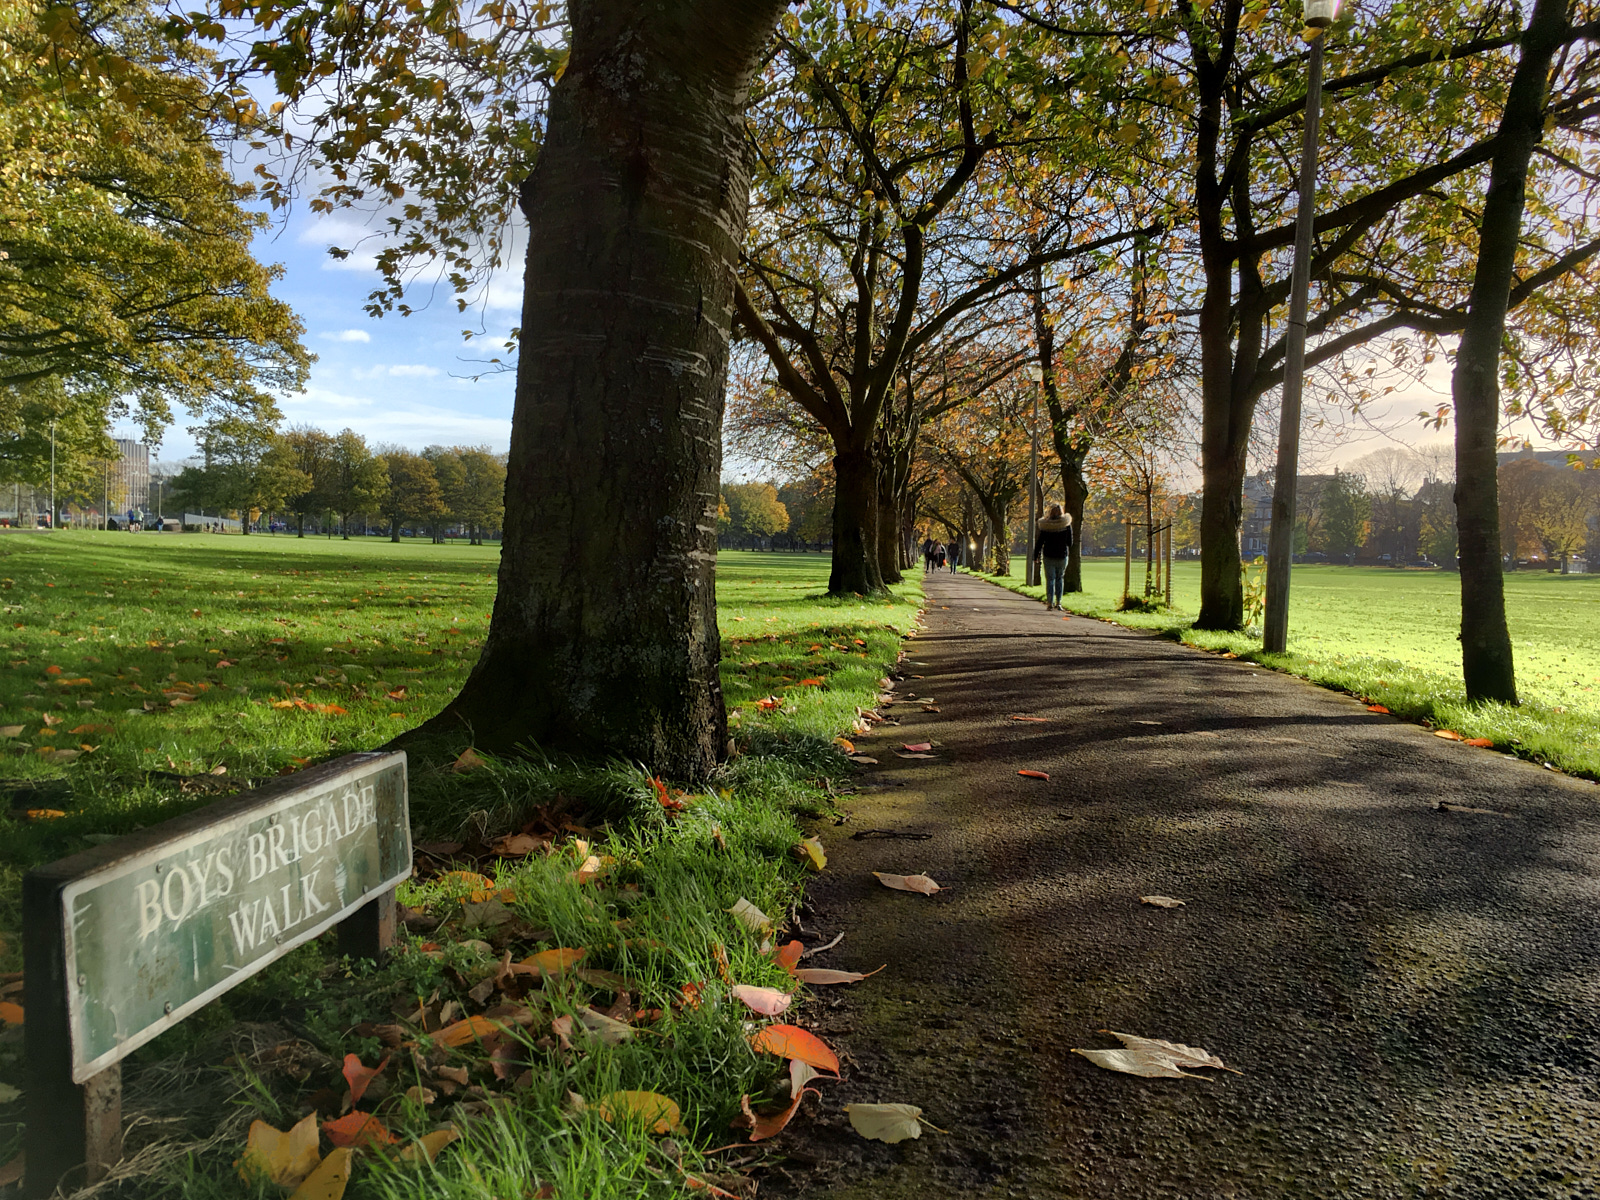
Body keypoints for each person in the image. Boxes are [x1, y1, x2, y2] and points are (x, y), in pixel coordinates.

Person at [1032, 504, 1074, 610]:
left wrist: (1035, 555)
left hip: (1049, 555)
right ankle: (1059, 603)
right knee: (1060, 579)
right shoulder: (1066, 524)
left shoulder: (1045, 525)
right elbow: (1070, 542)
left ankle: (1050, 603)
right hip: (1062, 555)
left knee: (1050, 579)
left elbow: (1040, 542)